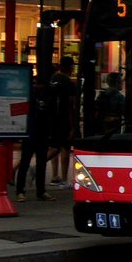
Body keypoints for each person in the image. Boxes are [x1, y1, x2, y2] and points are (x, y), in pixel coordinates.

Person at [15, 79, 54, 202]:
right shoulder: (29, 97)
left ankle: (40, 190)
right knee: (25, 162)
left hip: (41, 133)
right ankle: (20, 190)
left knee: (41, 163)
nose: (38, 86)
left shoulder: (47, 97)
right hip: (30, 133)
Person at [47, 56, 79, 186]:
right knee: (65, 147)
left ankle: (55, 175)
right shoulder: (69, 83)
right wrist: (72, 124)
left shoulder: (52, 79)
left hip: (51, 117)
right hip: (64, 118)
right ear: (70, 67)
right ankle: (65, 178)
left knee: (53, 145)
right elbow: (71, 104)